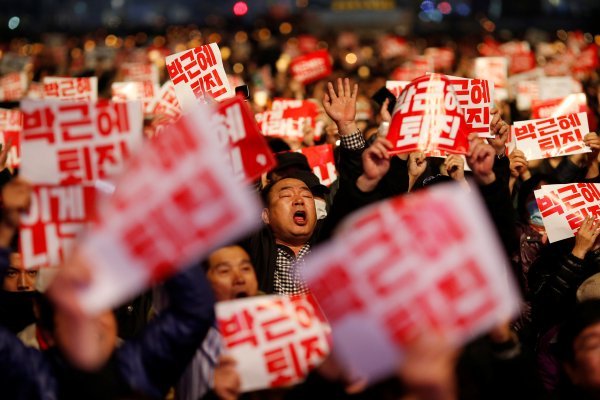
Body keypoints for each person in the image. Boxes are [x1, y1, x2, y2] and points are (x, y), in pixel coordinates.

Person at [0, 178, 217, 400]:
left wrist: (152, 220)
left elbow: (195, 307)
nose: (92, 322)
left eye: (98, 307)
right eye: (74, 314)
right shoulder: (31, 378)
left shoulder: (139, 366)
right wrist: (5, 229)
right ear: (48, 332)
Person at [176, 245, 260, 400]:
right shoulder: (186, 331)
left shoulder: (276, 322)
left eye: (246, 268)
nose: (239, 279)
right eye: (224, 271)